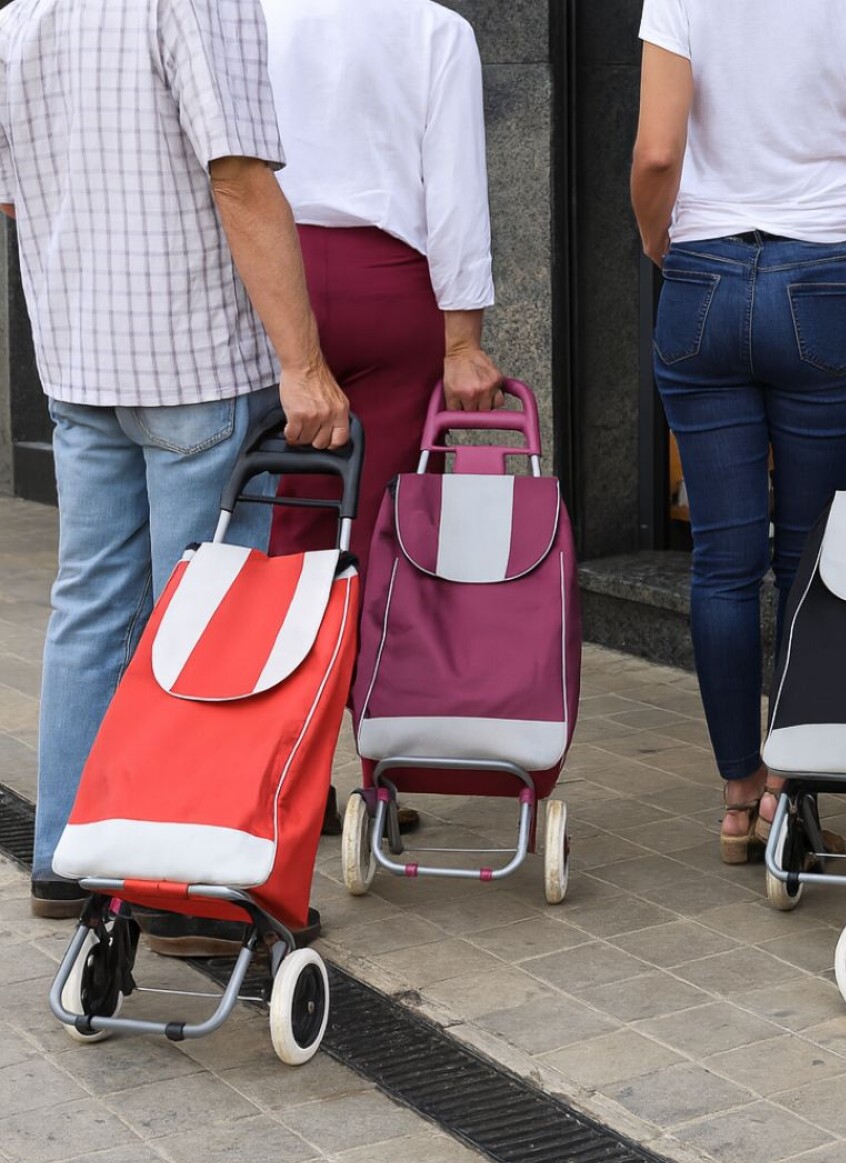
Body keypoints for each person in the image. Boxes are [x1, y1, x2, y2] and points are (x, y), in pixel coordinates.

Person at [0, 0, 349, 919]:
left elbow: (12, 193)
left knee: (91, 607)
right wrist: (304, 363)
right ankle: (184, 890)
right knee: (209, 624)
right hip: (193, 362)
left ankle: (64, 861)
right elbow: (238, 178)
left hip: (79, 361)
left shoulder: (25, 11)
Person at [632, 0, 846, 863]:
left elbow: (657, 151)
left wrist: (665, 244)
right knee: (809, 560)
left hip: (704, 273)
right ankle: (789, 791)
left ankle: (739, 796)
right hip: (831, 281)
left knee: (723, 562)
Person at [259, 0, 504, 835]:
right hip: (392, 283)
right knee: (378, 549)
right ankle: (377, 783)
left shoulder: (249, 12)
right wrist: (464, 339)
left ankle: (285, 783)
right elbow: (457, 188)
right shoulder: (435, 29)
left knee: (287, 545)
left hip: (273, 280)